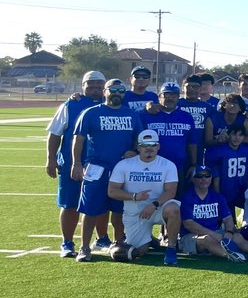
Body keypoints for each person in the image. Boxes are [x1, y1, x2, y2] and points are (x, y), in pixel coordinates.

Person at [71, 78, 144, 262]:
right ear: (105, 91)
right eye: (113, 90)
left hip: (122, 169)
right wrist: (76, 164)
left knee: (119, 210)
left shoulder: (132, 115)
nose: (117, 93)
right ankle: (84, 247)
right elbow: (78, 139)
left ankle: (119, 243)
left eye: (121, 90)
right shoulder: (90, 113)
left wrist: (134, 150)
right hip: (96, 168)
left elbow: (139, 138)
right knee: (90, 210)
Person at [45, 70, 105, 258]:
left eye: (99, 85)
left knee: (100, 203)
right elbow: (55, 133)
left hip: (100, 164)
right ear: (83, 86)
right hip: (72, 163)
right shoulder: (71, 104)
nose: (95, 88)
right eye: (91, 84)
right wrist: (51, 158)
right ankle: (67, 242)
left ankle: (102, 238)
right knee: (69, 203)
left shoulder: (111, 103)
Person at [108, 129, 182, 264]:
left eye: (153, 144)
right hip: (135, 212)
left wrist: (153, 205)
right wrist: (135, 196)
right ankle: (149, 240)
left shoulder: (168, 165)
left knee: (173, 209)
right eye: (144, 145)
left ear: (158, 146)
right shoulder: (124, 165)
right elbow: (112, 191)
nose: (149, 148)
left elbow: (170, 192)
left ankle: (171, 248)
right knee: (138, 252)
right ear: (138, 147)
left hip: (158, 208)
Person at [179, 166, 248, 262]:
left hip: (216, 232)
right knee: (207, 239)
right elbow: (188, 224)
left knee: (237, 237)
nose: (204, 179)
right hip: (191, 236)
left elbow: (228, 218)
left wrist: (229, 232)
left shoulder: (217, 197)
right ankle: (231, 255)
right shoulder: (187, 197)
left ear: (211, 178)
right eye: (199, 176)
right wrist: (212, 234)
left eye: (207, 176)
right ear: (193, 179)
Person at [138, 81, 199, 179]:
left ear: (178, 97)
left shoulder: (186, 117)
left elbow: (192, 144)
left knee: (177, 193)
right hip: (151, 166)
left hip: (178, 167)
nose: (170, 98)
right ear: (159, 96)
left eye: (174, 95)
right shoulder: (147, 115)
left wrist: (193, 164)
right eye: (166, 95)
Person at [205, 123, 248, 218]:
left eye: (240, 135)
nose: (237, 138)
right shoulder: (218, 151)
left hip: (242, 191)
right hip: (225, 192)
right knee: (228, 222)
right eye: (234, 134)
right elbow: (216, 178)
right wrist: (218, 198)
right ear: (228, 135)